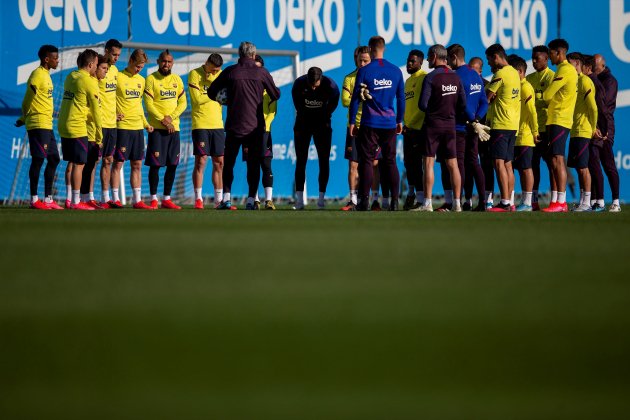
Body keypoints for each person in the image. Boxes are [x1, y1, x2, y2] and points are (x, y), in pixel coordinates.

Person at [208, 41, 280, 210]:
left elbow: (212, 92)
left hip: (234, 125)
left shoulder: (230, 71)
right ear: (254, 55)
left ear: (239, 54)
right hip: (255, 127)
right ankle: (250, 201)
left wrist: (227, 100)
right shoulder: (262, 72)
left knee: (230, 163)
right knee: (253, 164)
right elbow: (275, 94)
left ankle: (226, 199)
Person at [349, 36, 405, 211]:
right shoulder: (396, 71)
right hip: (389, 123)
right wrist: (399, 120)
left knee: (366, 161)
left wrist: (352, 122)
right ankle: (395, 202)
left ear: (371, 49)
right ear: (384, 49)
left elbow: (356, 99)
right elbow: (401, 99)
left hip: (370, 122)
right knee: (390, 162)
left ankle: (364, 202)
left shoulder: (365, 70)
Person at [412, 44, 467, 212]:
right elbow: (463, 105)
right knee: (453, 164)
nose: (428, 59)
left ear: (435, 56)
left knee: (428, 163)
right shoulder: (456, 77)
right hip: (451, 126)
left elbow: (422, 104)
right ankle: (457, 204)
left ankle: (427, 203)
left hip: (433, 126)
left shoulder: (431, 77)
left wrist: (435, 110)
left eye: (429, 56)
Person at [16, 45, 62, 210]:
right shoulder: (37, 74)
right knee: (38, 160)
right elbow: (29, 96)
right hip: (37, 123)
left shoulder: (46, 75)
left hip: (47, 124)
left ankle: (48, 199)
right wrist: (24, 115)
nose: (58, 61)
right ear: (46, 59)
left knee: (54, 159)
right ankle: (34, 199)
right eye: (55, 58)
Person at [445, 44, 489, 212]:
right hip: (474, 128)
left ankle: (458, 201)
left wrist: (472, 120)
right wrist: (477, 120)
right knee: (474, 162)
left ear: (455, 57)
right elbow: (484, 102)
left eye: (449, 59)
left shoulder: (456, 76)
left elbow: (461, 104)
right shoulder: (475, 75)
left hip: (460, 126)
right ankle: (483, 202)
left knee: (459, 164)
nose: (448, 62)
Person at [57, 49, 101, 211]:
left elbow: (79, 102)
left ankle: (70, 200)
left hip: (64, 125)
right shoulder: (88, 82)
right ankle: (76, 202)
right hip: (77, 127)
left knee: (72, 163)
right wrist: (99, 135)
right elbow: (96, 111)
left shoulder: (71, 77)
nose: (97, 68)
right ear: (90, 65)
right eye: (96, 65)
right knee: (80, 164)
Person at [291, 67, 340, 210]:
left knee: (324, 161)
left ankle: (321, 200)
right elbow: (298, 106)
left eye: (315, 85)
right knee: (301, 160)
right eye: (310, 84)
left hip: (322, 126)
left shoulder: (330, 86)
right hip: (303, 124)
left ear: (321, 79)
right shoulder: (299, 84)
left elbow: (334, 102)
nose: (313, 87)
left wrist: (325, 114)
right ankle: (299, 201)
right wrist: (308, 115)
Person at [144, 49, 187, 210]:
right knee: (155, 165)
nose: (166, 64)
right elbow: (149, 104)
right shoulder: (151, 79)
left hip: (174, 129)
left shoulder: (177, 80)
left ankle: (167, 199)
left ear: (173, 63)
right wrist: (163, 120)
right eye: (163, 61)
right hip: (157, 129)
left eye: (169, 62)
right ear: (158, 62)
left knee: (172, 164)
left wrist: (171, 118)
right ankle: (154, 198)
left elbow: (183, 103)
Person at [112, 49, 154, 209]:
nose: (139, 69)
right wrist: (113, 113)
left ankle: (137, 200)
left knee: (137, 164)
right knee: (118, 164)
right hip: (123, 127)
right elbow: (109, 98)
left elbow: (138, 105)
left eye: (141, 67)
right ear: (130, 61)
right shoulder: (118, 77)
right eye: (137, 66)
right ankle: (115, 198)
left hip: (138, 128)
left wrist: (145, 123)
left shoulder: (141, 81)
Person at [541, 39, 578, 212]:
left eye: (550, 53)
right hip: (557, 119)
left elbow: (548, 95)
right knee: (555, 160)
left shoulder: (565, 70)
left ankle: (561, 202)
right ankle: (557, 201)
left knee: (557, 159)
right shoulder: (565, 70)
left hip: (559, 119)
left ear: (559, 52)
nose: (549, 56)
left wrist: (544, 100)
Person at [484, 43, 521, 212]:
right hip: (513, 124)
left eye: (489, 60)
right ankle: (510, 201)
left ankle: (505, 202)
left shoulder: (500, 74)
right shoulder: (514, 72)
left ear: (496, 57)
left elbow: (487, 97)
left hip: (501, 123)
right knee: (507, 164)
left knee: (498, 163)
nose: (489, 64)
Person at [189, 53, 225, 210]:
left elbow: (226, 97)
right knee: (201, 160)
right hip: (200, 123)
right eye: (214, 69)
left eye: (218, 70)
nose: (216, 72)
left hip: (217, 124)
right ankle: (198, 199)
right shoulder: (195, 74)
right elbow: (196, 100)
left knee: (219, 162)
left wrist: (215, 91)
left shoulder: (221, 75)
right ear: (207, 63)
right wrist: (213, 92)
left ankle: (219, 200)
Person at [341, 46, 371, 211]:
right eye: (360, 60)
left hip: (372, 126)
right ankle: (352, 199)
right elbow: (345, 101)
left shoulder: (375, 77)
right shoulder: (350, 78)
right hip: (354, 127)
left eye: (365, 60)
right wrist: (361, 96)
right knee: (353, 165)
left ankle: (372, 199)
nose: (362, 63)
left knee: (373, 164)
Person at [567, 52, 598, 212]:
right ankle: (582, 201)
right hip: (574, 130)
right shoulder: (574, 81)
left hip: (584, 130)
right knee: (578, 168)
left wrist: (593, 128)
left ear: (577, 64)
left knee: (583, 167)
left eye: (570, 64)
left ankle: (587, 202)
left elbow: (593, 107)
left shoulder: (585, 81)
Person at [526, 45, 556, 210]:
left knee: (552, 165)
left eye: (537, 58)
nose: (534, 61)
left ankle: (555, 200)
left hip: (548, 129)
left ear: (546, 59)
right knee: (532, 165)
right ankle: (534, 200)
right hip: (532, 130)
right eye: (532, 57)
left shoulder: (553, 77)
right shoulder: (529, 78)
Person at [80, 54, 111, 209]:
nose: (106, 72)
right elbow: (82, 107)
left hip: (96, 130)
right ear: (94, 67)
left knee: (92, 163)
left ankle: (88, 197)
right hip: (86, 130)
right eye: (103, 68)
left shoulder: (98, 83)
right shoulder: (89, 82)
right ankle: (77, 198)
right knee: (81, 165)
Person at [507, 54, 538, 211]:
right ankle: (512, 201)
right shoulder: (515, 88)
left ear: (520, 71)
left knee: (526, 169)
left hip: (525, 136)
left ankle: (527, 202)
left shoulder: (526, 88)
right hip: (515, 135)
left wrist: (535, 131)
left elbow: (532, 111)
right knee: (515, 169)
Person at [594, 54, 621, 212]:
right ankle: (598, 201)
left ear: (602, 66)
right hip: (594, 126)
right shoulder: (596, 79)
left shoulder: (610, 81)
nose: (594, 70)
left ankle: (616, 201)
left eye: (596, 67)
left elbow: (605, 105)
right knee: (593, 163)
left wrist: (604, 130)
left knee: (608, 164)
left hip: (606, 127)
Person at [582, 54, 609, 211]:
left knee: (595, 165)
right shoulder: (589, 81)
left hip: (596, 130)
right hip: (591, 129)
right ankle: (592, 201)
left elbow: (601, 109)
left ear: (587, 68)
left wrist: (602, 129)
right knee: (591, 165)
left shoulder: (594, 83)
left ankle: (600, 201)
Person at [401, 49, 427, 210]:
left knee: (418, 166)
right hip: (408, 129)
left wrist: (411, 123)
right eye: (408, 61)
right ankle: (411, 194)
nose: (409, 64)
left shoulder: (424, 78)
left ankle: (421, 198)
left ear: (420, 63)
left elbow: (424, 107)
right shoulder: (408, 81)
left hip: (419, 129)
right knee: (408, 163)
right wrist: (405, 123)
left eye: (413, 61)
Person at [99, 39, 122, 208]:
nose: (116, 58)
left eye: (118, 55)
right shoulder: (98, 69)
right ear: (106, 51)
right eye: (114, 54)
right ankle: (85, 197)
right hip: (98, 123)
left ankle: (105, 197)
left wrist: (116, 113)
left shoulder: (115, 71)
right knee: (92, 161)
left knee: (108, 160)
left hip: (112, 123)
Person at [469, 56, 495, 208]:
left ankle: (488, 199)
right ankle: (468, 199)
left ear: (480, 70)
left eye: (473, 69)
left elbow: (487, 106)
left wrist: (479, 122)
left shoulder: (488, 86)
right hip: (470, 130)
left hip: (484, 130)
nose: (470, 72)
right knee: (470, 164)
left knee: (486, 163)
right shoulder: (465, 83)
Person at [252, 54, 278, 210]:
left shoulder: (270, 91)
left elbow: (272, 112)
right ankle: (254, 199)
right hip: (249, 132)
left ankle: (269, 200)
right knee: (252, 166)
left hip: (264, 132)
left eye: (258, 68)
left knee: (266, 165)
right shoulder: (247, 89)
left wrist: (264, 125)